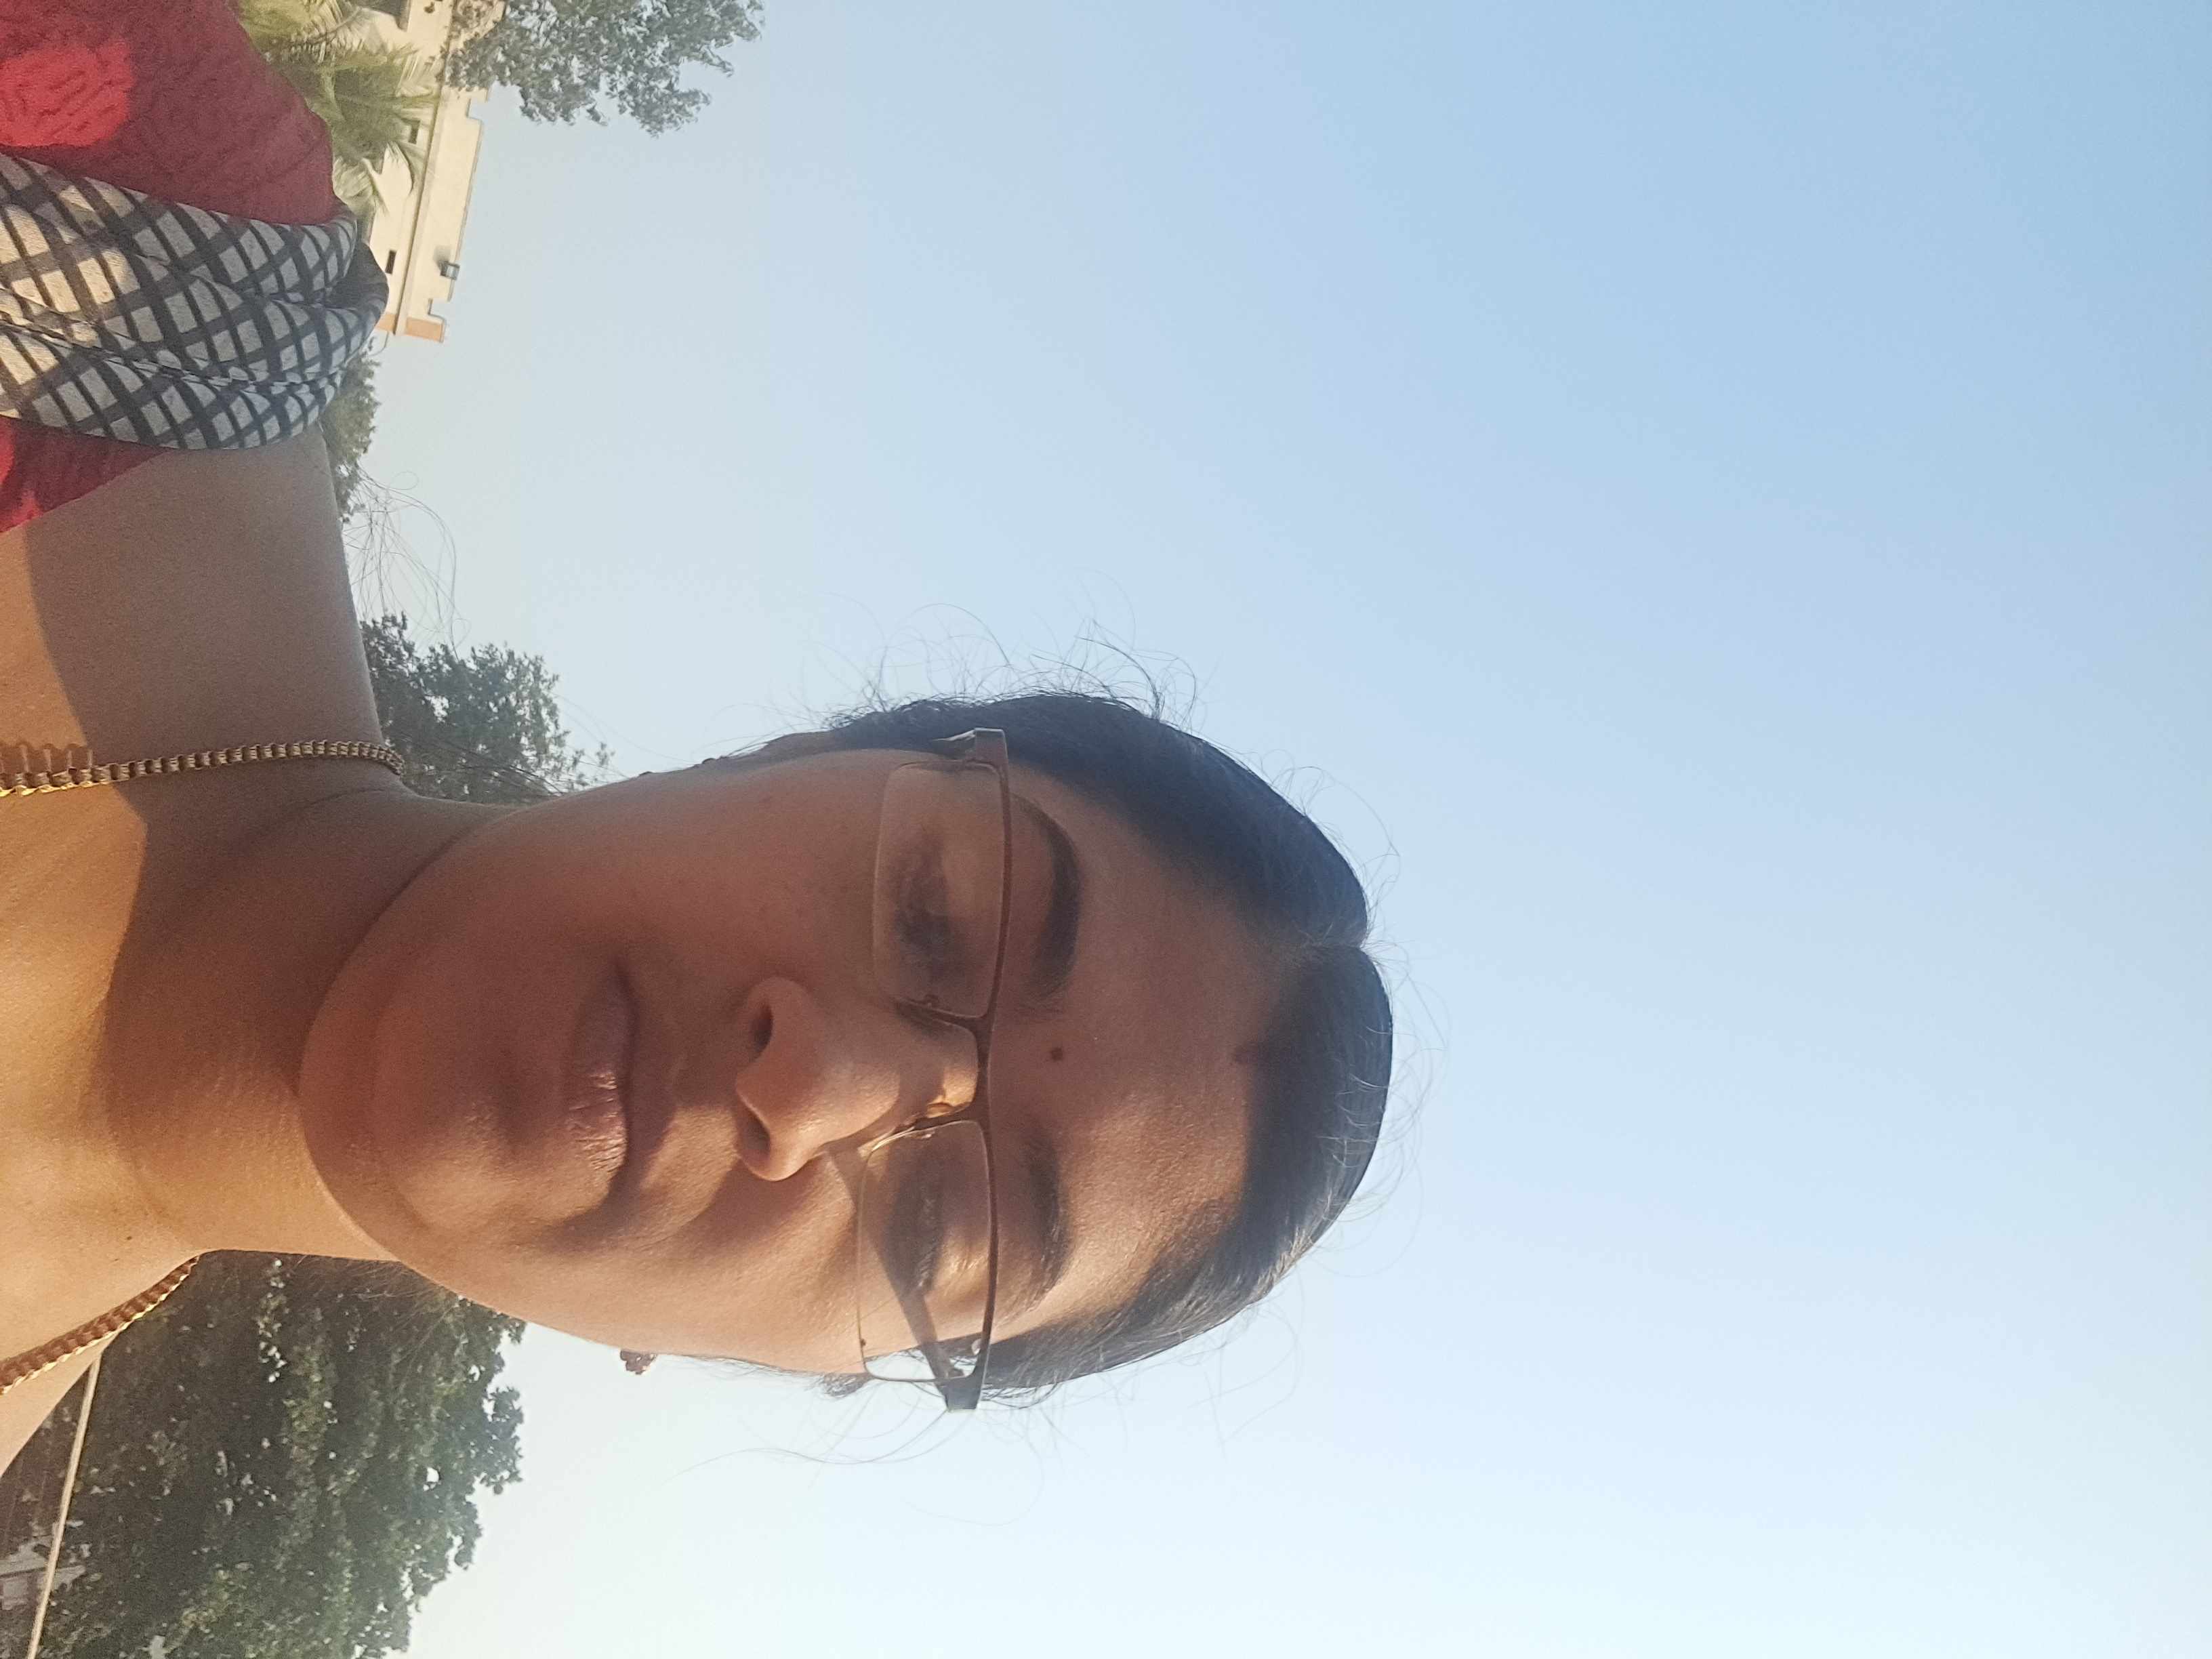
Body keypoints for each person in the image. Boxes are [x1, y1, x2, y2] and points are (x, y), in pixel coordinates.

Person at [0, 0, 1393, 1473]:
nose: (809, 1086)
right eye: (933, 915)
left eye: (935, 1228)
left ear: (777, 1362)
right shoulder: (122, 221)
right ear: (785, 762)